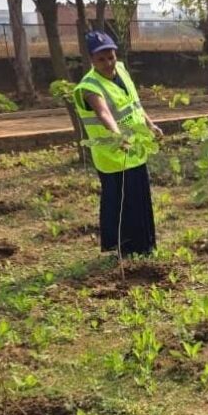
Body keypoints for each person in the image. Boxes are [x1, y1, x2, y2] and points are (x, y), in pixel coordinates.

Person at [72, 31, 163, 256]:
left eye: (111, 57)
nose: (108, 63)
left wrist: (151, 124)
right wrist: (118, 136)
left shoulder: (121, 70)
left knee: (140, 200)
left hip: (135, 150)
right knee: (122, 204)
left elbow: (135, 103)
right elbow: (104, 113)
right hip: (113, 156)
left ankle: (145, 247)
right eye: (101, 59)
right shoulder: (89, 87)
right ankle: (125, 250)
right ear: (91, 60)